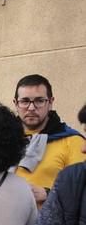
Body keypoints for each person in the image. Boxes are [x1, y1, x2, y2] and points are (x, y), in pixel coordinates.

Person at [12, 74, 85, 208]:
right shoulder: (3, 140)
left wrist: (48, 194)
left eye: (39, 100)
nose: (31, 107)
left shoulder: (73, 141)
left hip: (48, 223)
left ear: (50, 102)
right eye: (25, 101)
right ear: (16, 104)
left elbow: (82, 191)